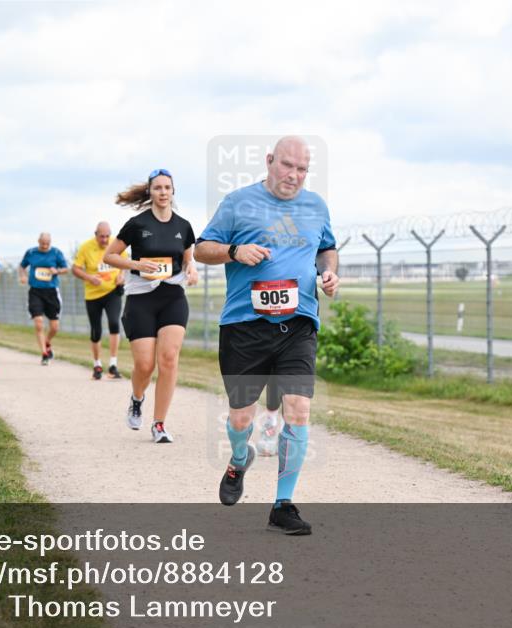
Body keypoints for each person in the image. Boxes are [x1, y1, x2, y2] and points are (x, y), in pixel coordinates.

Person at [195, 136, 339, 535]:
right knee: (242, 417)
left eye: (302, 168)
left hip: (298, 322)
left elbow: (327, 248)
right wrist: (234, 251)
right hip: (244, 325)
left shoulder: (316, 206)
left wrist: (328, 272)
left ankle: (283, 504)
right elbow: (200, 249)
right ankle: (240, 459)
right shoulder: (238, 202)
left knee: (297, 408)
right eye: (287, 165)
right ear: (270, 161)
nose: (294, 175)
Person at [103, 168, 198, 443]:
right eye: (158, 188)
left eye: (167, 188)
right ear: (150, 192)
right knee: (145, 365)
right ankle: (137, 398)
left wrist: (192, 271)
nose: (163, 193)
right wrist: (135, 264)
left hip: (172, 297)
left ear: (173, 191)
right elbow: (110, 256)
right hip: (141, 298)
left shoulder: (183, 226)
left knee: (168, 359)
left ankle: (159, 424)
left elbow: (188, 260)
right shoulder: (136, 224)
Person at [72, 222, 125, 378]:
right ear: (96, 234)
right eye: (101, 236)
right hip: (93, 294)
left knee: (114, 323)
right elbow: (75, 268)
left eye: (107, 236)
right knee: (96, 331)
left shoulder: (116, 244)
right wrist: (88, 277)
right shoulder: (86, 247)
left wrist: (121, 276)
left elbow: (123, 264)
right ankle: (97, 366)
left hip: (112, 291)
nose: (105, 239)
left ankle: (113, 365)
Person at [19, 232, 69, 365]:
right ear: (38, 241)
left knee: (54, 327)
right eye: (43, 243)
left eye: (47, 243)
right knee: (39, 322)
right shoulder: (31, 252)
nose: (45, 246)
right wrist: (23, 276)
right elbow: (22, 266)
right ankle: (44, 354)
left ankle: (47, 342)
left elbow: (66, 268)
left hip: (52, 291)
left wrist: (57, 271)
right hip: (35, 291)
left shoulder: (56, 253)